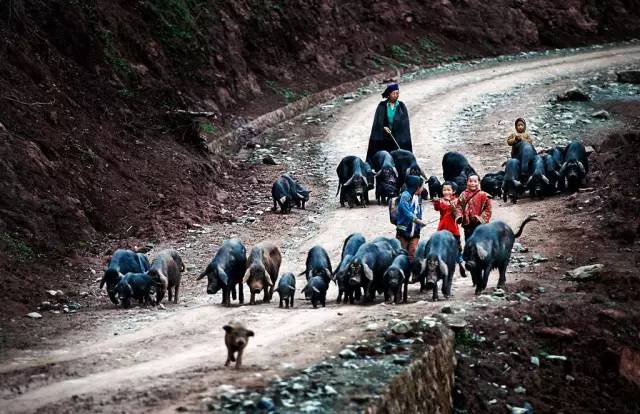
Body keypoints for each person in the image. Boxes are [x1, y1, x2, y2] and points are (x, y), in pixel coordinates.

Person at [366, 83, 412, 163]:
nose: (396, 95)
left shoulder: (401, 106)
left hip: (397, 138)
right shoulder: (382, 106)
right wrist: (383, 127)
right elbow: (377, 123)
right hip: (384, 138)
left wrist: (397, 129)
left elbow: (405, 124)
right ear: (388, 94)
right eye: (393, 93)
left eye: (397, 93)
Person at [432, 182, 466, 277]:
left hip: (453, 228)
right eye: (444, 190)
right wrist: (436, 202)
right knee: (440, 247)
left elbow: (458, 210)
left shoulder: (456, 200)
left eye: (448, 190)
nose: (446, 192)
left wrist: (451, 203)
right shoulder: (441, 201)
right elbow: (437, 208)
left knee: (457, 247)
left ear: (453, 191)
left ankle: (460, 263)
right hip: (442, 228)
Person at [395, 175, 426, 262]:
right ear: (417, 187)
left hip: (415, 231)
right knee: (402, 254)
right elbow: (406, 212)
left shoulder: (417, 197)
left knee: (413, 253)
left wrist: (419, 225)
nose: (422, 189)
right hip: (403, 231)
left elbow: (419, 212)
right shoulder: (405, 196)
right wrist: (418, 221)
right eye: (422, 187)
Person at [457, 175, 492, 241]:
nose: (472, 183)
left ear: (479, 182)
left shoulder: (484, 195)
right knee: (468, 240)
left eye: (475, 181)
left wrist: (481, 218)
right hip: (467, 224)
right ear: (467, 182)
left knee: (480, 241)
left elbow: (488, 209)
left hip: (479, 224)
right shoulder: (463, 194)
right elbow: (458, 206)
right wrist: (459, 216)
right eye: (470, 181)